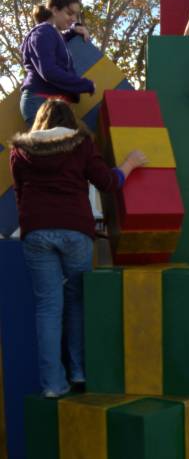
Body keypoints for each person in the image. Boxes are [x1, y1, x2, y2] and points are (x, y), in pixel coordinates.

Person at [10, 99, 146, 398]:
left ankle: (52, 385)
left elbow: (20, 194)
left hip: (36, 232)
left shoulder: (20, 151)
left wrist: (32, 224)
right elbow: (107, 182)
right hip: (75, 230)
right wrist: (130, 163)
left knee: (48, 308)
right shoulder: (81, 144)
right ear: (70, 121)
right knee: (77, 301)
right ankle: (79, 371)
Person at [20, 0, 95, 126]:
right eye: (69, 13)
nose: (73, 18)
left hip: (51, 104)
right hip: (41, 102)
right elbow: (49, 71)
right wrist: (84, 84)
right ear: (54, 10)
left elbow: (60, 42)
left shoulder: (53, 34)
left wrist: (74, 29)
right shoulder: (43, 32)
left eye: (75, 15)